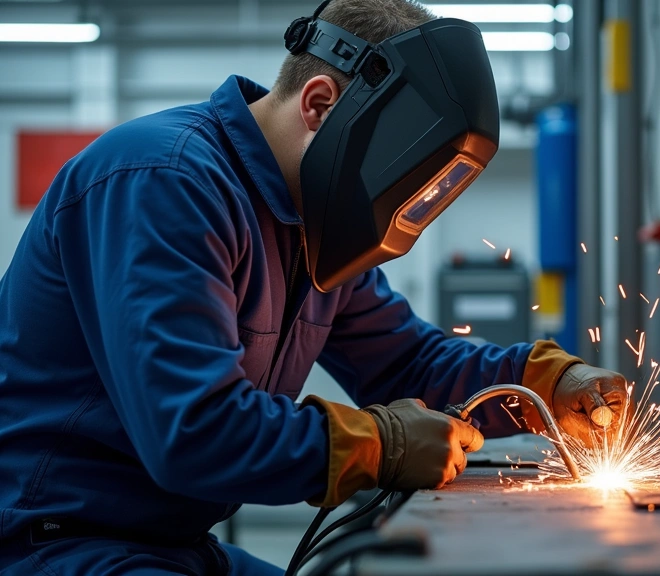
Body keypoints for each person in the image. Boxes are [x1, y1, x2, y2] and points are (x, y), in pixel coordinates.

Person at [0, 0, 627, 573]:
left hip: (172, 543)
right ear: (321, 106)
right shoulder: (165, 182)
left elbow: (406, 363)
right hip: (54, 542)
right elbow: (192, 429)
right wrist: (376, 444)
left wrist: (542, 384)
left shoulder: (311, 230)